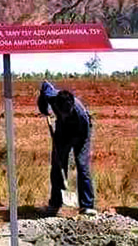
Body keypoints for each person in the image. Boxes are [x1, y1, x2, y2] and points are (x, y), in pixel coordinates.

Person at [37, 81, 96, 216]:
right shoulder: (51, 95)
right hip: (62, 130)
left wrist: (67, 147)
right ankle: (55, 204)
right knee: (57, 165)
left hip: (80, 133)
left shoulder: (80, 115)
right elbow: (44, 85)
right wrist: (43, 108)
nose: (64, 115)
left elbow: (82, 135)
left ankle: (86, 206)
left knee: (82, 166)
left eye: (67, 113)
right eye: (62, 112)